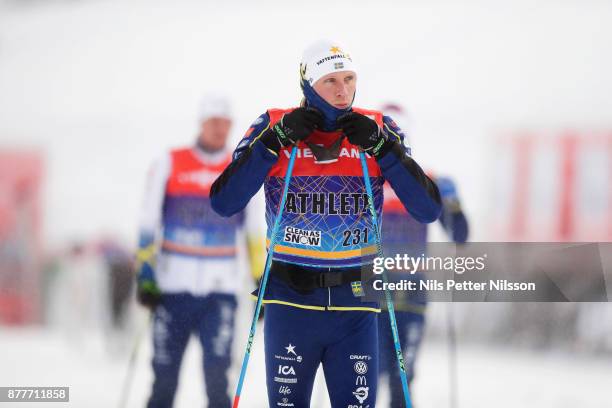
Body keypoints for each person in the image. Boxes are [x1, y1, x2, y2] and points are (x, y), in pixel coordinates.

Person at [210, 40, 442, 407]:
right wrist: (276, 141)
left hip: (355, 306)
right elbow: (224, 202)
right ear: (307, 83)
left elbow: (427, 208)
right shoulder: (272, 123)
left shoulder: (380, 127)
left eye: (349, 79)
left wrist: (384, 149)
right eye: (330, 81)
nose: (342, 90)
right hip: (291, 302)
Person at [135, 94, 245, 408]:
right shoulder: (170, 161)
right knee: (164, 380)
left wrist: (259, 278)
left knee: (217, 380)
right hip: (172, 292)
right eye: (213, 122)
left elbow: (252, 231)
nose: (220, 129)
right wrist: (145, 275)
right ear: (201, 123)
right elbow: (147, 222)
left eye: (225, 123)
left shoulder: (238, 169)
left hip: (219, 293)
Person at [376, 103, 469, 407]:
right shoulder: (363, 180)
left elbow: (459, 235)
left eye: (399, 136)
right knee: (363, 375)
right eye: (387, 135)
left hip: (412, 295)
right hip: (370, 295)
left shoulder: (425, 181)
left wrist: (452, 204)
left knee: (402, 376)